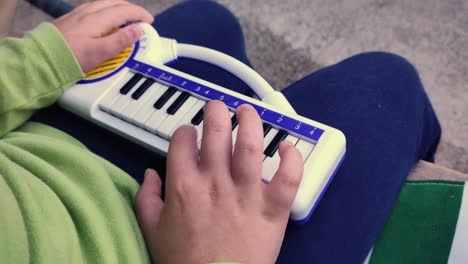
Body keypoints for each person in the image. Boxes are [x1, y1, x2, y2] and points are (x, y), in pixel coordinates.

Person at [0, 1, 441, 263]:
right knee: (386, 82)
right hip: (183, 250)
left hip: (36, 161)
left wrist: (31, 66)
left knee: (209, 19)